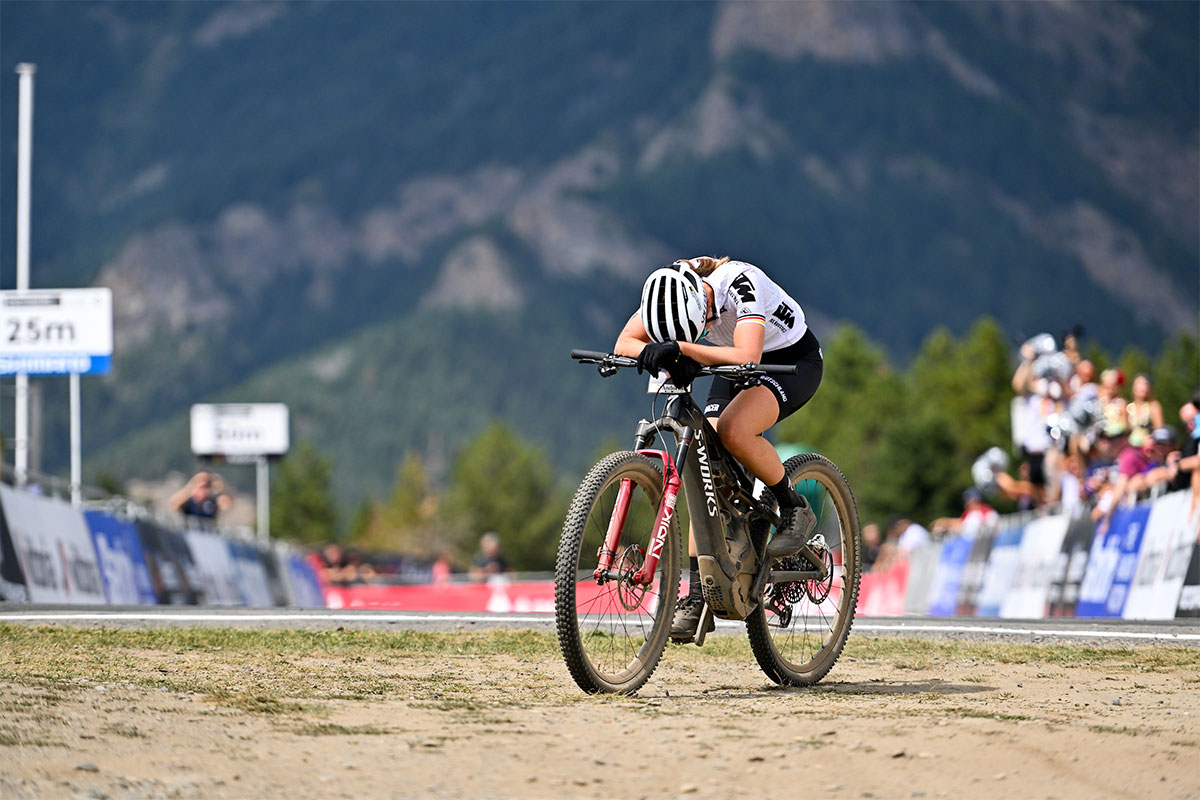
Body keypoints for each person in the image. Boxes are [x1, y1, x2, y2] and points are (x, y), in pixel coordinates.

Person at [614, 256, 822, 641]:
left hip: (787, 360)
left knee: (734, 431)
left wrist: (683, 350)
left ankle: (792, 506)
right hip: (728, 359)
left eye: (698, 330)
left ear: (703, 306)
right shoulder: (670, 293)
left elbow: (748, 358)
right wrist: (649, 353)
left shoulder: (741, 284)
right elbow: (625, 341)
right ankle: (698, 596)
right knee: (702, 466)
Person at [1126, 374, 1164, 442]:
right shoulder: (1129, 407)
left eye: (1145, 384)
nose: (1143, 387)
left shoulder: (1153, 406)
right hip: (1129, 445)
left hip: (1148, 445)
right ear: (1134, 388)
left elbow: (1159, 430)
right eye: (1139, 384)